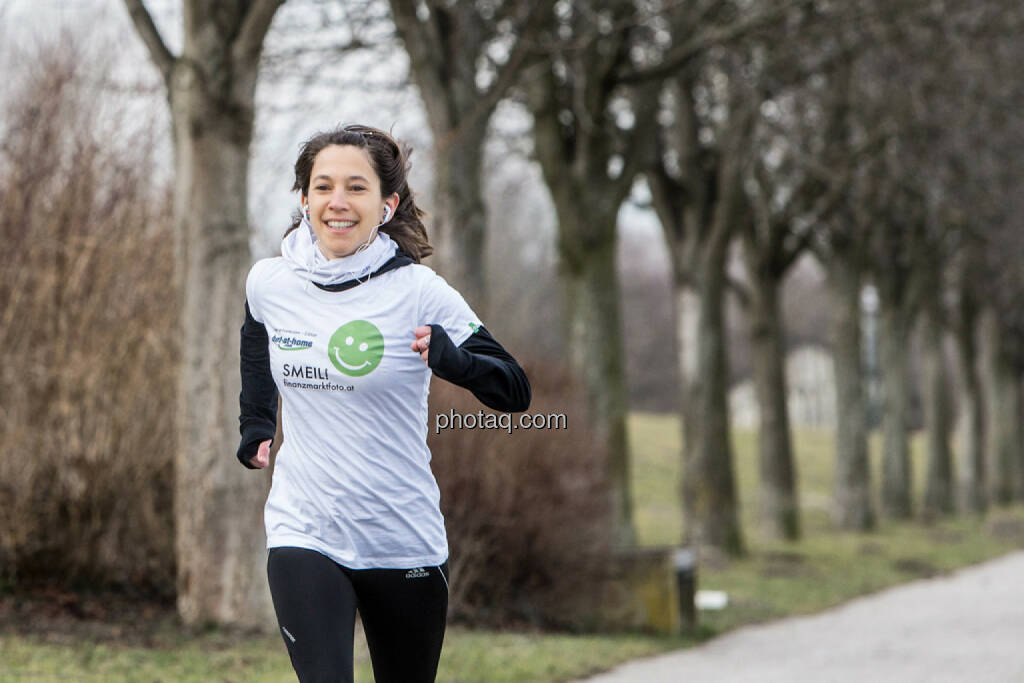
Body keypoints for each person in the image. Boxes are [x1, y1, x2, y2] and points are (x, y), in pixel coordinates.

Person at [237, 124, 531, 683]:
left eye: (356, 187)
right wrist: (256, 420)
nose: (337, 202)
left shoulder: (419, 291)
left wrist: (456, 362)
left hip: (402, 539)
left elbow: (515, 390)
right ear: (304, 200)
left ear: (386, 203)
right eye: (323, 187)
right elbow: (256, 335)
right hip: (305, 529)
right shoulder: (270, 282)